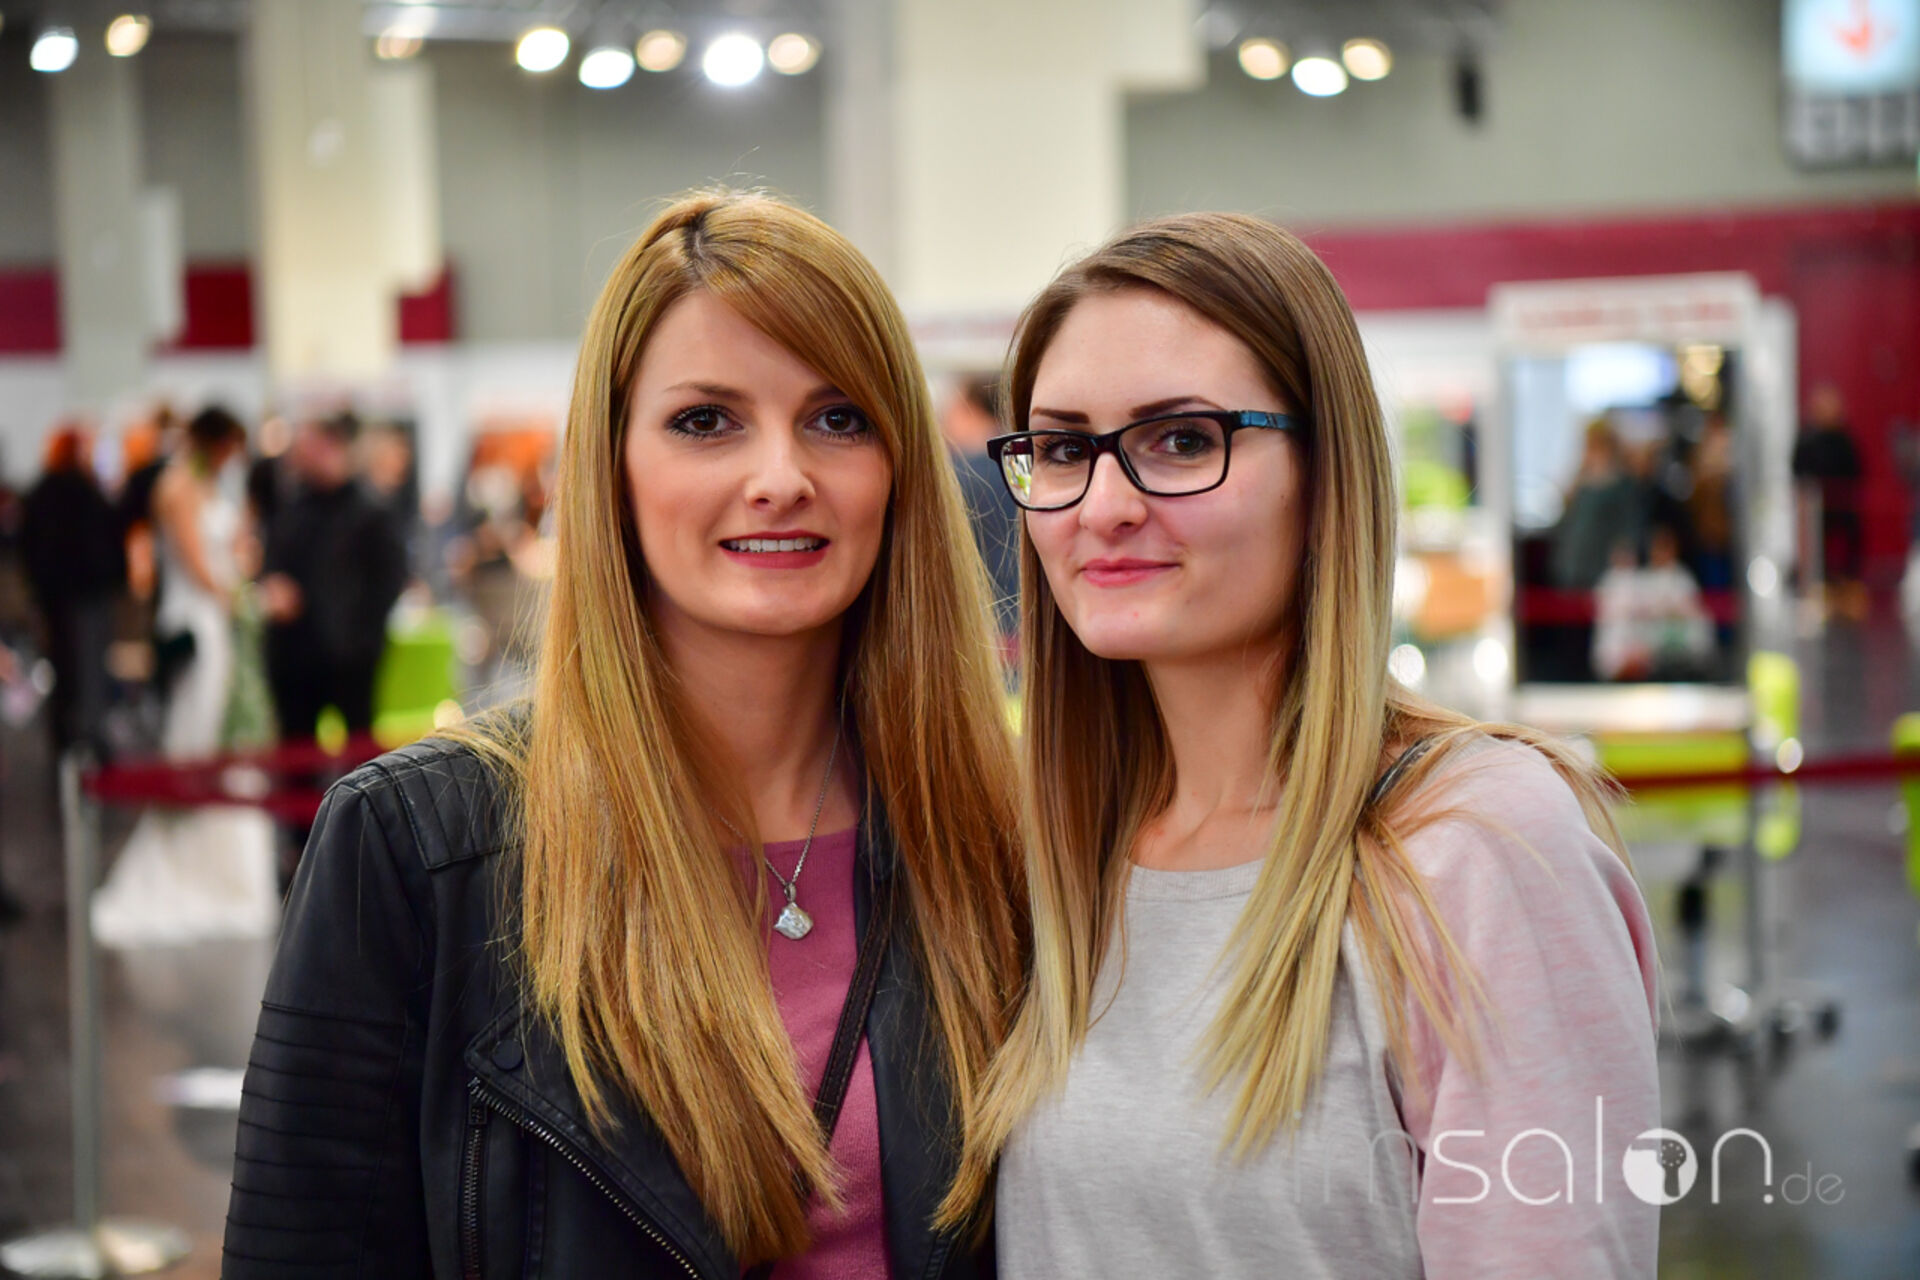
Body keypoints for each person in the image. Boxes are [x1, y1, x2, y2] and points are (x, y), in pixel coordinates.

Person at [224, 191, 1026, 1277]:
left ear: (900, 468)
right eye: (706, 421)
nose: (781, 477)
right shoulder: (418, 847)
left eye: (839, 418)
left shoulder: (991, 829)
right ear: (613, 465)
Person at [943, 213, 1660, 1277]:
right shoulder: (1053, 853)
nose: (1104, 505)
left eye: (1182, 440)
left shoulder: (1473, 845)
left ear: (1326, 476)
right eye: (1061, 449)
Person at [91, 406, 280, 947]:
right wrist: (246, 601)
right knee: (198, 736)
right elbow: (197, 564)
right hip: (199, 623)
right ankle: (193, 865)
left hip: (219, 621)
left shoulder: (211, 486)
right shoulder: (176, 487)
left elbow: (229, 551)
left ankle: (232, 871)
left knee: (226, 735)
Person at [259, 411, 408, 738]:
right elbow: (271, 563)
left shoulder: (371, 511)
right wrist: (273, 587)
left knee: (358, 746)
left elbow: (390, 579)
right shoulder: (293, 508)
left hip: (350, 660)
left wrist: (363, 640)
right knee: (296, 747)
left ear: (331, 445)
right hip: (295, 657)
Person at [19, 423, 126, 762]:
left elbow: (29, 547)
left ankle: (66, 738)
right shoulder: (83, 491)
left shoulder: (41, 492)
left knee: (66, 667)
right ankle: (89, 738)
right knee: (88, 667)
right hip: (85, 593)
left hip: (57, 597)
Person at [941, 374, 1020, 647]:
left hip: (980, 630)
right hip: (1028, 622)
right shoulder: (1026, 465)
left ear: (970, 409)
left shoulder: (954, 476)